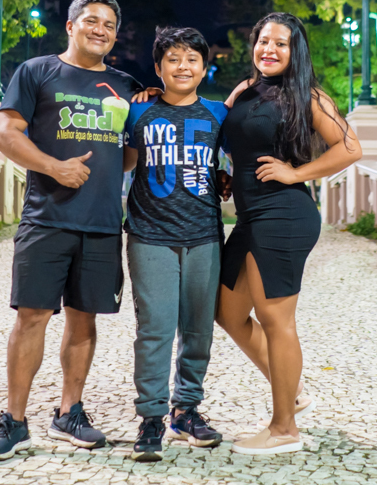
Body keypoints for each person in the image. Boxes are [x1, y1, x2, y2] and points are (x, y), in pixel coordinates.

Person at [0, 0, 142, 462]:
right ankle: (14, 420)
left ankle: (70, 412)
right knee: (31, 316)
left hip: (102, 223)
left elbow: (128, 153)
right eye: (91, 20)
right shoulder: (37, 71)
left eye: (109, 24)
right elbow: (4, 134)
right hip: (46, 218)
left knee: (84, 318)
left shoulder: (126, 86)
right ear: (71, 26)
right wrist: (54, 167)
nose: (100, 29)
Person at [216, 12, 362, 455]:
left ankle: (284, 429)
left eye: (281, 44)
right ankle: (291, 390)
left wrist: (296, 172)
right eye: (264, 41)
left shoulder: (308, 95)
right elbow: (227, 138)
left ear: (295, 51)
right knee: (226, 312)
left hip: (283, 215)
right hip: (249, 217)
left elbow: (350, 148)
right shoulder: (244, 90)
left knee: (276, 320)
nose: (270, 50)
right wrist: (227, 175)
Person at [122, 27, 230, 462]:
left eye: (191, 59)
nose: (182, 67)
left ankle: (186, 410)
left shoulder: (220, 113)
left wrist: (227, 177)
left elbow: (236, 159)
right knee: (155, 329)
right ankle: (150, 417)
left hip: (204, 234)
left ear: (204, 68)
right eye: (173, 59)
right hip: (150, 234)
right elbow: (122, 162)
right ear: (158, 68)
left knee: (199, 329)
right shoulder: (137, 111)